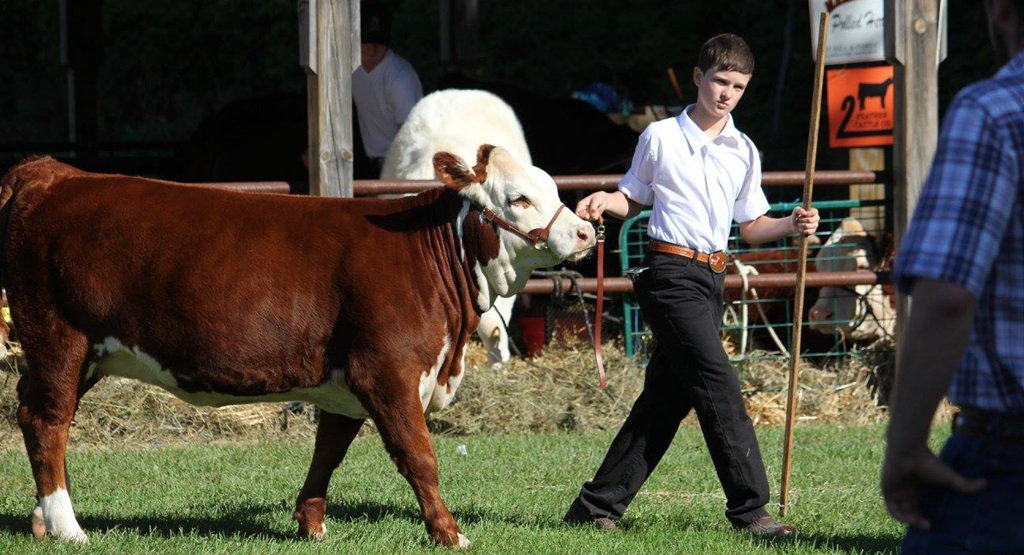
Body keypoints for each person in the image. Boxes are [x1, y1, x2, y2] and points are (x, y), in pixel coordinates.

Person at [564, 33, 818, 539]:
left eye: (738, 86)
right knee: (719, 386)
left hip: (713, 277)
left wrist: (791, 223)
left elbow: (751, 225)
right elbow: (631, 198)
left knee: (665, 400)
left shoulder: (744, 149)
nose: (726, 93)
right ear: (699, 77)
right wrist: (601, 199)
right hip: (668, 275)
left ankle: (595, 507)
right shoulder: (659, 136)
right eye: (720, 81)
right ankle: (752, 513)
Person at [880, 0, 1024, 552]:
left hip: (1006, 466)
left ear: (1000, 12)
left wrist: (906, 447)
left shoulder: (994, 111)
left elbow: (945, 296)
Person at [352, 0, 423, 173]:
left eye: (378, 41)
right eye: (365, 40)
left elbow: (411, 138)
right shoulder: (349, 70)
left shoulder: (400, 77)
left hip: (401, 166)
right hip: (372, 164)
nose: (371, 47)